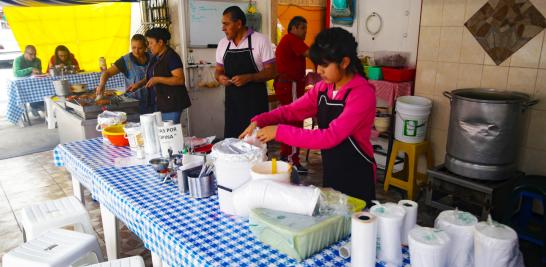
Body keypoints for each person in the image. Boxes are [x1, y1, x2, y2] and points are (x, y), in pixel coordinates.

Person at [240, 28, 377, 204]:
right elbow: (291, 110)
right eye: (317, 64)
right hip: (333, 170)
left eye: (325, 65)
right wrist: (260, 120)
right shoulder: (323, 89)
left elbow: (329, 136)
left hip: (357, 175)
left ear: (344, 62)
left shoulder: (362, 94)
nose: (319, 70)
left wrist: (279, 132)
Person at [215, 6, 276, 138]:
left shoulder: (260, 40)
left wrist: (249, 77)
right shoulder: (223, 44)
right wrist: (220, 78)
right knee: (232, 144)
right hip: (233, 105)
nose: (223, 28)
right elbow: (218, 71)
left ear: (238, 24)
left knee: (256, 145)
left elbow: (271, 72)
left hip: (255, 105)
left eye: (226, 24)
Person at [274, 16, 310, 174]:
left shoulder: (287, 40)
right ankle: (292, 160)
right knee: (295, 122)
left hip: (287, 85)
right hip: (291, 86)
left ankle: (284, 154)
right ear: (293, 28)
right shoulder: (291, 39)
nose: (305, 32)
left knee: (286, 120)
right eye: (302, 28)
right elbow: (310, 53)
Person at [95, 34, 152, 114]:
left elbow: (155, 75)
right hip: (134, 104)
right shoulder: (125, 61)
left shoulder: (153, 58)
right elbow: (107, 73)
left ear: (146, 47)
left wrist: (140, 83)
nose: (136, 51)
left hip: (154, 101)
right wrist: (101, 84)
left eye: (140, 48)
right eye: (133, 48)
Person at [144, 27, 191, 123]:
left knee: (169, 132)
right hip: (161, 103)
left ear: (160, 42)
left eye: (151, 42)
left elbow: (180, 79)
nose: (149, 46)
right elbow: (152, 76)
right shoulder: (156, 57)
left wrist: (157, 80)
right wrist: (138, 84)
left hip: (171, 104)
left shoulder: (172, 57)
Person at [13, 45, 44, 116]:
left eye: (35, 54)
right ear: (25, 53)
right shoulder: (18, 60)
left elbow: (39, 71)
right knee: (29, 91)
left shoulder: (38, 60)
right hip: (22, 85)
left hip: (35, 83)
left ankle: (38, 105)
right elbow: (16, 73)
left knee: (43, 88)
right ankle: (34, 106)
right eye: (31, 54)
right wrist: (30, 69)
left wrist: (38, 72)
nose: (33, 56)